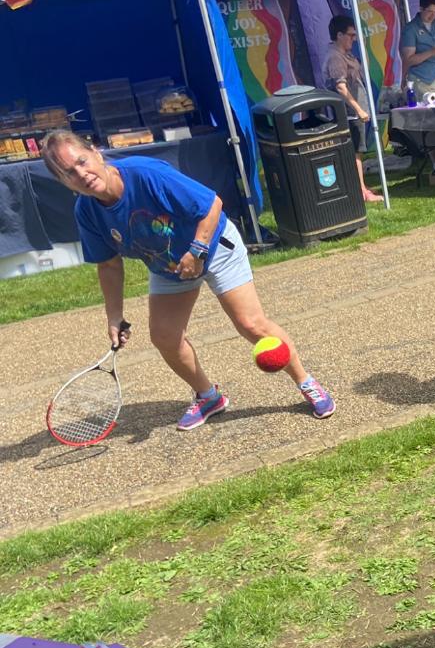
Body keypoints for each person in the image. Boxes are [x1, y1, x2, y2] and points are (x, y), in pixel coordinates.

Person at [40, 132, 335, 429]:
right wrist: (114, 316)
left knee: (251, 324)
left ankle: (306, 382)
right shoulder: (87, 212)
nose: (82, 174)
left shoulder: (146, 174)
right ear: (64, 183)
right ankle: (209, 397)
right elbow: (108, 264)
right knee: (165, 337)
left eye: (82, 161)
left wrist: (197, 251)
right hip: (169, 265)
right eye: (69, 173)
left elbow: (212, 205)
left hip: (214, 246)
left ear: (96, 153)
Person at [323, 15, 382, 203]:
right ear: (339, 35)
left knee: (358, 151)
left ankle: (361, 186)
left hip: (355, 110)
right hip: (349, 113)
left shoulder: (345, 54)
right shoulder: (335, 57)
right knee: (354, 151)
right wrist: (358, 109)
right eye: (351, 35)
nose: (353, 39)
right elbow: (341, 87)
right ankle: (361, 191)